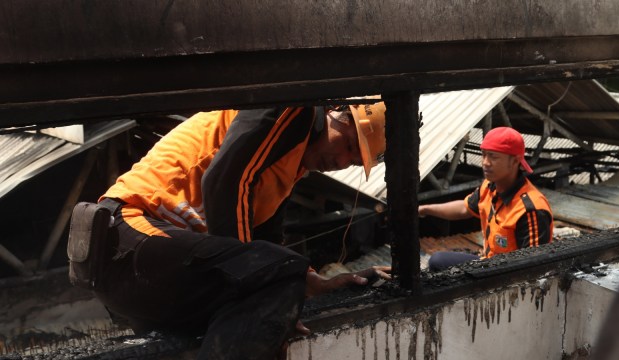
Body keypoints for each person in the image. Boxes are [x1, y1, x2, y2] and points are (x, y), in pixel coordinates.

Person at [87, 99, 391, 359]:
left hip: (154, 265)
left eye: (352, 161)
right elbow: (223, 181)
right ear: (337, 112)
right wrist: (265, 287)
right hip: (128, 233)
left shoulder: (288, 167)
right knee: (278, 277)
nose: (340, 160)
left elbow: (267, 241)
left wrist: (313, 284)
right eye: (349, 144)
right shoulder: (293, 108)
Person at [418, 127, 553, 271]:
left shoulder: (530, 209)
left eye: (493, 157)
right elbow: (465, 208)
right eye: (484, 155)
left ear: (514, 161)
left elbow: (534, 268)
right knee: (437, 261)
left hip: (508, 276)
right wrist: (425, 209)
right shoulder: (489, 186)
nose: (485, 162)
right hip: (489, 263)